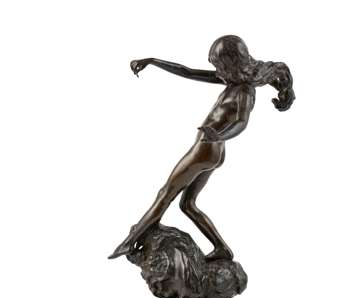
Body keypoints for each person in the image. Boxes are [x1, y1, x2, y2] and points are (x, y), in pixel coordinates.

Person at [109, 35, 295, 261]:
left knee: (165, 193)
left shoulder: (244, 91)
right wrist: (153, 61)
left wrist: (219, 135)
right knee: (187, 204)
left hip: (205, 150)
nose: (216, 70)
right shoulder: (232, 81)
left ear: (231, 64)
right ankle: (221, 248)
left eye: (219, 65)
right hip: (213, 151)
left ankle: (129, 242)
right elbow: (188, 72)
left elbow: (241, 122)